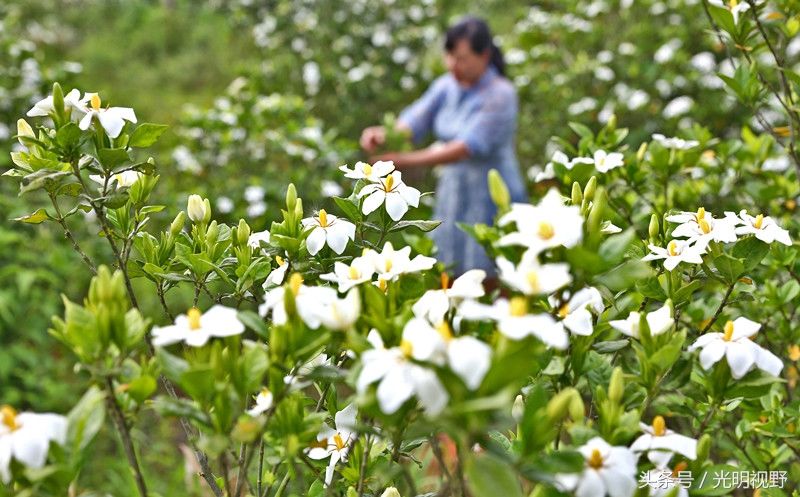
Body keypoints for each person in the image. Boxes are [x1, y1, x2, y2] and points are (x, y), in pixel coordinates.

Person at [360, 16, 527, 276]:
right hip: (455, 194)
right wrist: (382, 135)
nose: (452, 65)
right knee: (449, 272)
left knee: (493, 274)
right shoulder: (446, 86)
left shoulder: (501, 94)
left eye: (461, 58)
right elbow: (415, 120)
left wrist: (402, 160)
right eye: (449, 56)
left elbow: (464, 148)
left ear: (483, 56)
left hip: (492, 194)